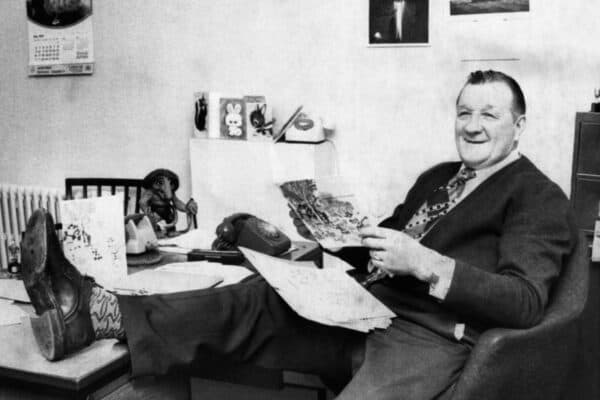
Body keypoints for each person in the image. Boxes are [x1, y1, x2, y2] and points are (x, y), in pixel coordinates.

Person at [21, 70, 577, 399]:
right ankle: (95, 313)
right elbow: (391, 237)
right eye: (463, 113)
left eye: (489, 115)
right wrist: (350, 237)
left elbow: (526, 302)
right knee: (256, 297)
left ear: (519, 125)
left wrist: (424, 263)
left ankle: (90, 313)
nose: (472, 126)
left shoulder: (537, 196)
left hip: (429, 336)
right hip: (370, 306)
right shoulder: (438, 176)